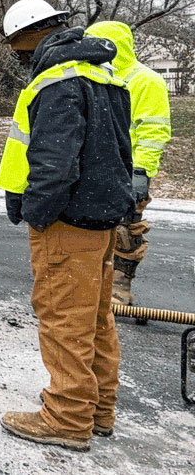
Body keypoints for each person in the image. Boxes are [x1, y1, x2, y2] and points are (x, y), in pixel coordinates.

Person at [0, 0, 134, 452]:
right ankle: (98, 409)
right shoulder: (104, 74)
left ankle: (67, 417)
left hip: (68, 220)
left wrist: (37, 212)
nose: (19, 56)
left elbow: (54, 164)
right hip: (103, 216)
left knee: (63, 319)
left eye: (17, 46)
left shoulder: (55, 82)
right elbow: (119, 150)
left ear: (33, 34)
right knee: (94, 318)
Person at [85, 21, 172, 307]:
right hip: (97, 170)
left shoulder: (145, 81)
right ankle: (94, 286)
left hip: (128, 170)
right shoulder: (90, 76)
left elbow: (153, 130)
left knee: (126, 230)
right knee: (92, 229)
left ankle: (119, 289)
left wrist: (141, 172)